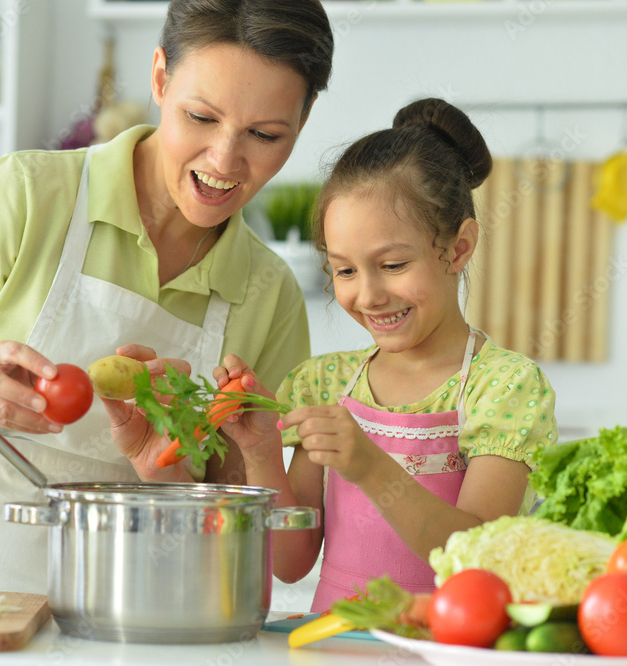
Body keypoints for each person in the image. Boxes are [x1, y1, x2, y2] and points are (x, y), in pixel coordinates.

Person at [0, 0, 335, 594]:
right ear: (159, 77)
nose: (225, 159)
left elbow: (247, 548)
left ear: (300, 124)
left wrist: (164, 471)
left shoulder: (268, 293)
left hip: (127, 626)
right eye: (201, 117)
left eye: (263, 134)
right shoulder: (27, 195)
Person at [210, 98, 559, 612]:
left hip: (445, 648)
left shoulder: (503, 387)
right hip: (335, 643)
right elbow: (291, 562)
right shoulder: (326, 384)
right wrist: (261, 452)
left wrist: (372, 468)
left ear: (459, 248)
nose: (368, 295)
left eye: (393, 264)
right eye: (345, 271)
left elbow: (478, 560)